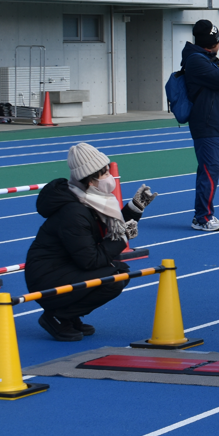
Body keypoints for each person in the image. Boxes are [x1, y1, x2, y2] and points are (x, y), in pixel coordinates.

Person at [24, 143, 157, 340]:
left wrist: (135, 209)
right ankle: (57, 316)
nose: (109, 177)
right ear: (90, 180)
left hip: (63, 268)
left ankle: (70, 315)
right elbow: (91, 260)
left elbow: (106, 231)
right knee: (114, 278)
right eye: (104, 174)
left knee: (119, 272)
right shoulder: (74, 212)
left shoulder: (87, 199)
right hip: (47, 278)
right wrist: (124, 237)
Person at [181, 20, 219, 231]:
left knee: (209, 171)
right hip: (207, 125)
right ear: (213, 43)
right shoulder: (196, 60)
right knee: (209, 172)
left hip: (213, 124)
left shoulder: (207, 58)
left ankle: (202, 216)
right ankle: (203, 218)